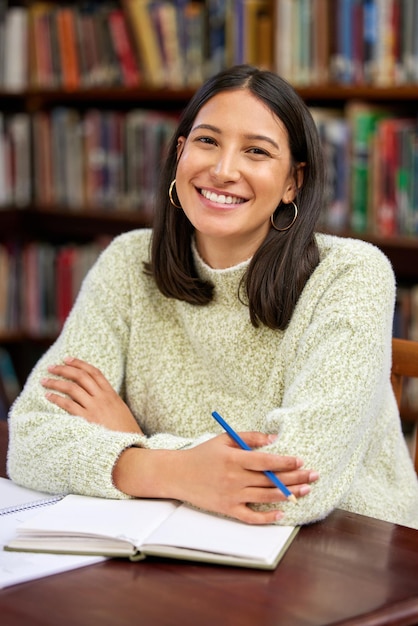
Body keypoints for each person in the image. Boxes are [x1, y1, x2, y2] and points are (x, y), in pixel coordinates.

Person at [7, 64, 418, 529]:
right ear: (180, 153)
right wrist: (178, 470)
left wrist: (134, 443)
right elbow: (30, 439)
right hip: (186, 536)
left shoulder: (350, 275)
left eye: (256, 151)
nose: (223, 171)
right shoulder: (128, 261)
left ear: (293, 182)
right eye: (207, 141)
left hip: (350, 549)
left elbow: (292, 491)